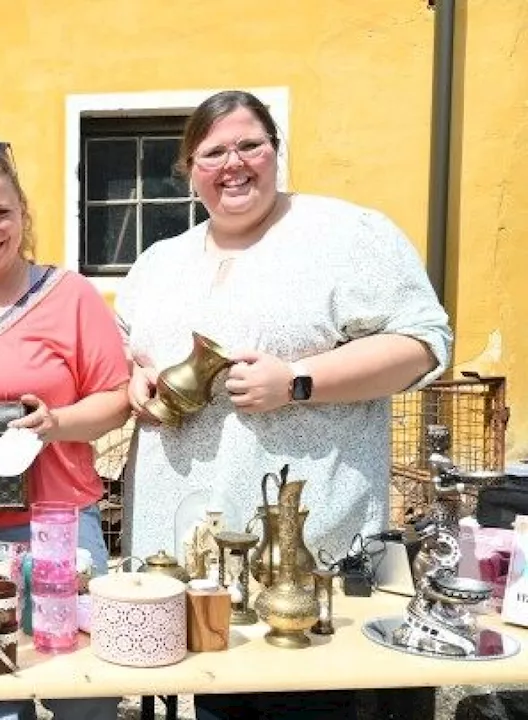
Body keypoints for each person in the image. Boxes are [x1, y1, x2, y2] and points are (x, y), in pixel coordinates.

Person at [116, 90, 452, 719]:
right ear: (189, 170)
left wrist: (299, 380)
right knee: (215, 704)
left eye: (251, 145)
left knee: (303, 703)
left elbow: (423, 343)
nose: (233, 164)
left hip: (304, 554)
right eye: (213, 152)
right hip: (188, 554)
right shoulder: (160, 261)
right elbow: (127, 352)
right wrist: (135, 380)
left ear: (277, 150)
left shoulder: (345, 233)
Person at [0, 133, 131, 720]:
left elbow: (117, 398)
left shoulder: (73, 296)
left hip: (59, 527)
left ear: (23, 214)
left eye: (0, 212)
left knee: (82, 696)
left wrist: (56, 423)